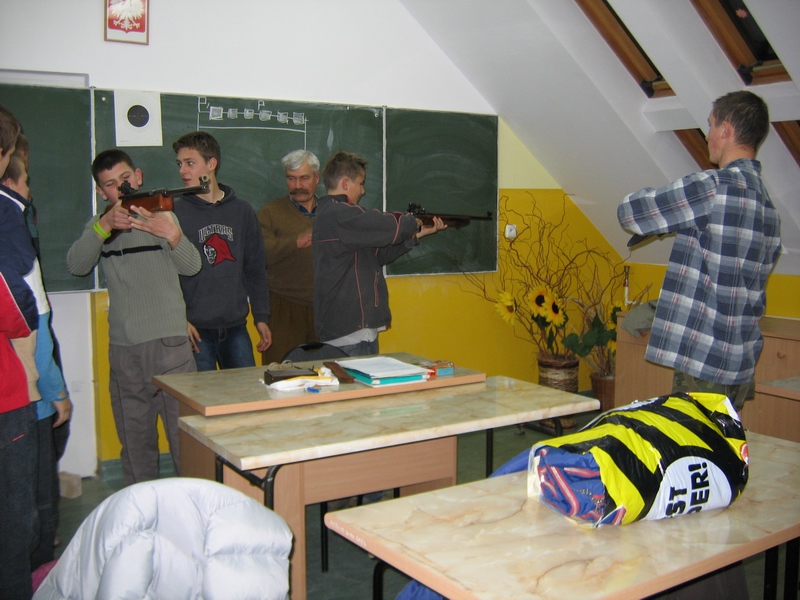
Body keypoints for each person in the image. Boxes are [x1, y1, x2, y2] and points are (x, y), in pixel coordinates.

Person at [618, 90, 781, 411]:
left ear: (726, 130)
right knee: (723, 439)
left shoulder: (712, 188)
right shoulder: (768, 208)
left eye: (711, 125)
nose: (707, 135)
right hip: (739, 361)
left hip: (704, 361)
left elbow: (630, 213)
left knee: (692, 439)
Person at [67, 149, 202, 485]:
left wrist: (172, 236)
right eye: (110, 185)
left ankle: (193, 506)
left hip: (169, 346)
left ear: (138, 177)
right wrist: (102, 226)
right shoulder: (101, 227)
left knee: (185, 438)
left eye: (125, 179)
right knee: (135, 442)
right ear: (101, 192)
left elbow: (192, 267)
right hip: (124, 350)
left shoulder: (163, 217)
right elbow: (77, 266)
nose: (120, 188)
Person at [1, 156, 72, 570]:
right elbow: (35, 331)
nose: (30, 190)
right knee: (37, 500)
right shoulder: (15, 238)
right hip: (28, 400)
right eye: (25, 180)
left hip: (17, 394)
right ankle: (40, 571)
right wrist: (57, 392)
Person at [313, 151, 446, 356]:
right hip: (351, 333)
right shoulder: (340, 213)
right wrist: (412, 220)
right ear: (346, 183)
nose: (363, 190)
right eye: (361, 183)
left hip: (353, 330)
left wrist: (416, 235)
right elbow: (385, 225)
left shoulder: (335, 216)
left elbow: (376, 256)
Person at [171, 131, 272, 370]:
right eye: (179, 164)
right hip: (195, 329)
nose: (182, 171)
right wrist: (179, 319)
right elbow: (165, 275)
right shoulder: (175, 213)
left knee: (246, 391)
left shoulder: (242, 211)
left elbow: (255, 268)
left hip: (235, 327)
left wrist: (261, 317)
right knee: (200, 394)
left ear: (211, 163)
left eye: (190, 163)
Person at [257, 149, 320, 364]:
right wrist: (295, 242)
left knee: (326, 371)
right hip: (284, 308)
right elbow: (259, 255)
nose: (298, 185)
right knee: (281, 371)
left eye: (304, 178)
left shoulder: (332, 211)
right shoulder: (270, 212)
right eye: (291, 179)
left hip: (326, 307)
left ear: (317, 178)